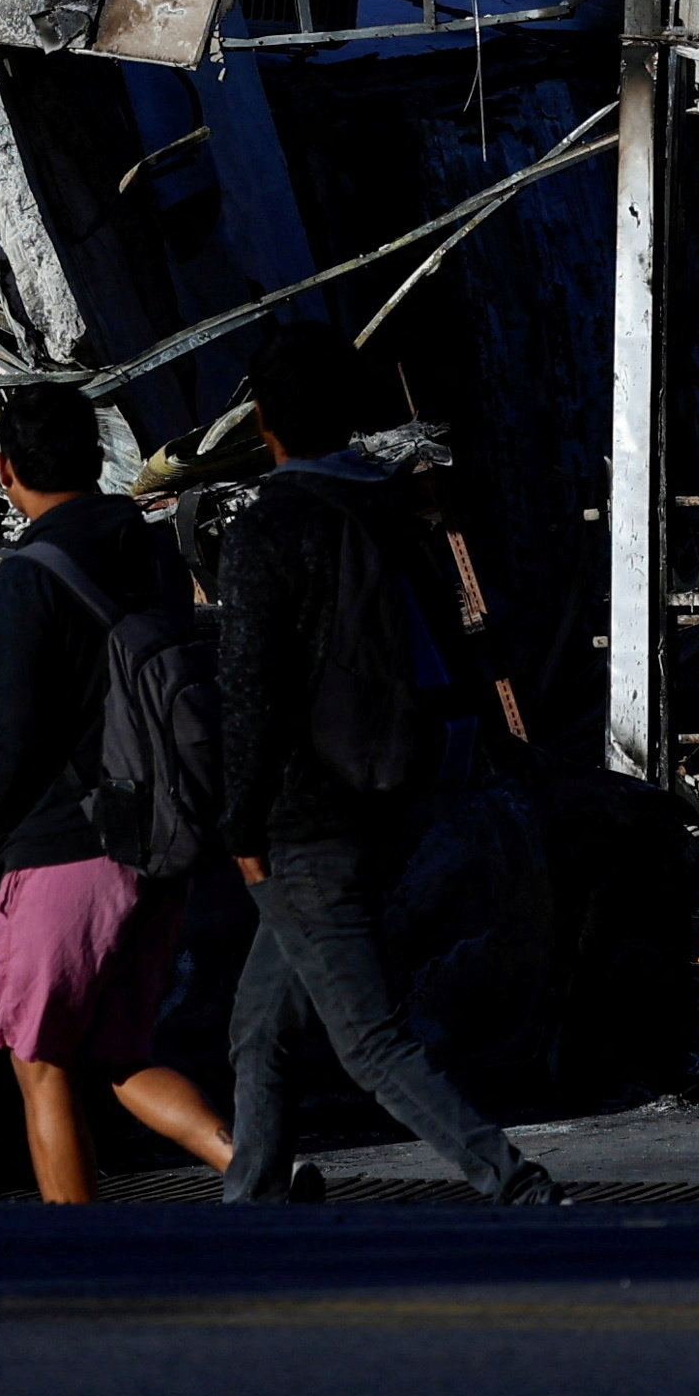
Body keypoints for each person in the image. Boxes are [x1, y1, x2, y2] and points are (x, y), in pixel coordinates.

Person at [207, 342, 557, 1206]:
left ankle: (510, 1181)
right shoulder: (391, 513)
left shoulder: (269, 526)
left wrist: (242, 824)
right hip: (394, 792)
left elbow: (252, 691)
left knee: (368, 1040)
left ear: (264, 428)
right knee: (261, 1025)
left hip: (307, 816)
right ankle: (250, 1200)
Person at [0, 387, 236, 1201]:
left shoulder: (27, 575)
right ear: (95, 457)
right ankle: (253, 1163)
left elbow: (13, 730)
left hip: (61, 848)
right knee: (119, 1051)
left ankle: (77, 1250)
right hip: (155, 836)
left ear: (4, 468)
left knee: (41, 1064)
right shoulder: (147, 549)